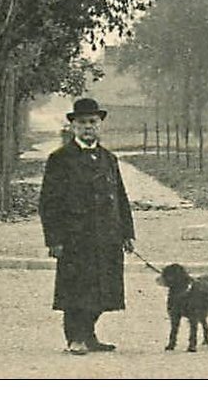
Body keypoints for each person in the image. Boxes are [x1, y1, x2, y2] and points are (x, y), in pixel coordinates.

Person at [38, 97, 136, 355]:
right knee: (76, 289)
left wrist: (127, 233)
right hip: (75, 238)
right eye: (82, 122)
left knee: (104, 289)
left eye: (93, 122)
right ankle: (76, 338)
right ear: (73, 126)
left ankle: (90, 335)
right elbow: (48, 202)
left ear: (100, 124)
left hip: (107, 236)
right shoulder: (60, 159)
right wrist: (54, 239)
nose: (88, 127)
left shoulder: (109, 158)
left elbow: (121, 197)